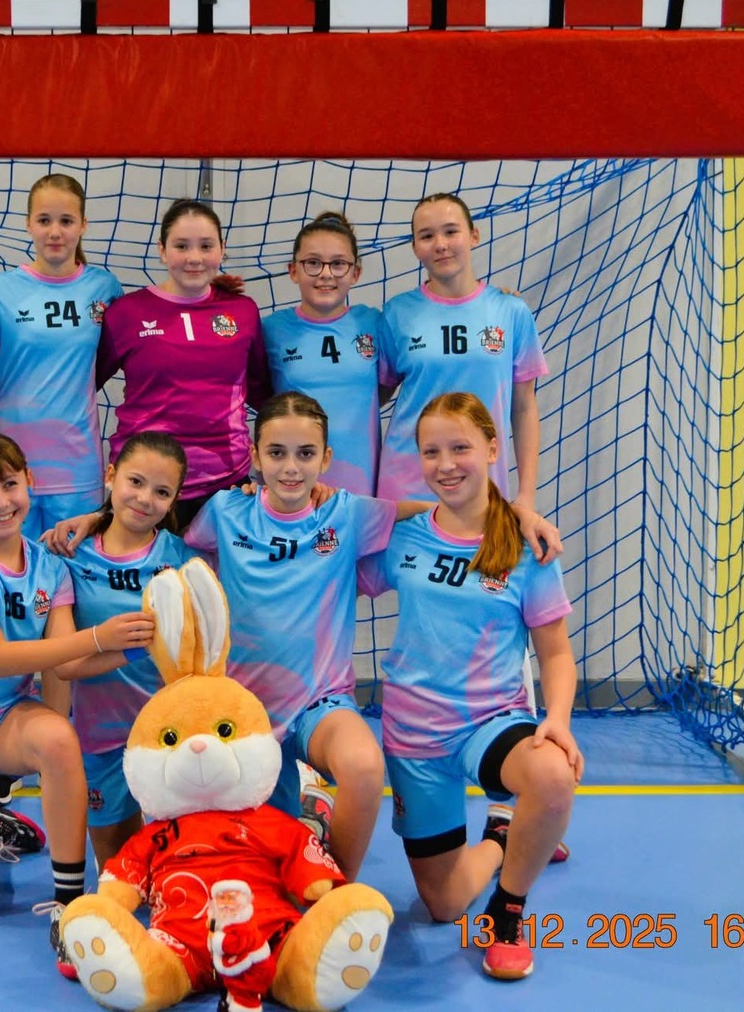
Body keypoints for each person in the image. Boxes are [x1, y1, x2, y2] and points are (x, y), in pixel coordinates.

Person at [0, 432, 155, 976]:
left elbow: (65, 664)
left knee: (59, 739)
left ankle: (68, 904)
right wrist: (100, 636)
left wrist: (138, 649)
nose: (1, 502)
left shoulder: (49, 569)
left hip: (2, 722)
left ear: (30, 483)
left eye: (10, 485)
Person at [357, 391, 582, 981]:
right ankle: (504, 836)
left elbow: (556, 653)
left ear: (491, 449)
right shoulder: (404, 537)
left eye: (460, 448)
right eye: (431, 452)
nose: (446, 464)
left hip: (491, 724)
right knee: (444, 904)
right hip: (414, 737)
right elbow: (332, 567)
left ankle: (507, 912)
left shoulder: (527, 548)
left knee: (552, 776)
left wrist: (557, 720)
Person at [179, 391, 420, 881]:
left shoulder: (345, 514)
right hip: (244, 712)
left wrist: (512, 514)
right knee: (258, 865)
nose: (291, 468)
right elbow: (162, 540)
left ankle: (336, 885)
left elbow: (429, 513)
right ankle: (306, 806)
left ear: (325, 459)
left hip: (319, 704)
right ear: (255, 456)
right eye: (277, 453)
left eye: (305, 454)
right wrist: (95, 521)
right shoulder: (226, 511)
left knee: (364, 768)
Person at [379, 193, 560, 559]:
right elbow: (372, 398)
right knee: (412, 587)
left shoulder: (510, 311)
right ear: (415, 247)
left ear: (474, 236)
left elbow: (524, 407)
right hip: (408, 485)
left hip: (480, 484)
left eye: (451, 231)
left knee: (477, 586)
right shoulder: (397, 313)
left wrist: (525, 496)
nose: (440, 244)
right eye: (427, 236)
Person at [57, 431, 194, 867]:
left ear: (174, 501)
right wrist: (128, 647)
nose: (145, 498)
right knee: (119, 869)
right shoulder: (69, 553)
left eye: (162, 492)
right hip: (101, 736)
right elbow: (64, 664)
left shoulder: (184, 559)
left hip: (171, 735)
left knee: (179, 862)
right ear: (110, 475)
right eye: (135, 482)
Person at [95, 198, 272, 531]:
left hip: (226, 486)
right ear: (162, 250)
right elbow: (83, 384)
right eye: (181, 246)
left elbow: (263, 395)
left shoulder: (243, 311)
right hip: (145, 488)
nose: (194, 257)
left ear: (222, 249)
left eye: (206, 246)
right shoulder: (126, 313)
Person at [0, 174, 125, 538]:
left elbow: (123, 348)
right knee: (11, 570)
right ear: (29, 224)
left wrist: (206, 291)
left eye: (66, 221)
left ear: (83, 225)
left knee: (71, 571)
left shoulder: (104, 288)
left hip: (76, 467)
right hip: (6, 467)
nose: (55, 232)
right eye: (44, 220)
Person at [262, 212, 388, 496]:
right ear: (293, 270)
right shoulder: (270, 329)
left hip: (361, 485)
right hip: (293, 485)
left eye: (338, 264)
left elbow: (384, 386)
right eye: (313, 263)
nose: (326, 274)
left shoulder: (374, 323)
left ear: (355, 273)